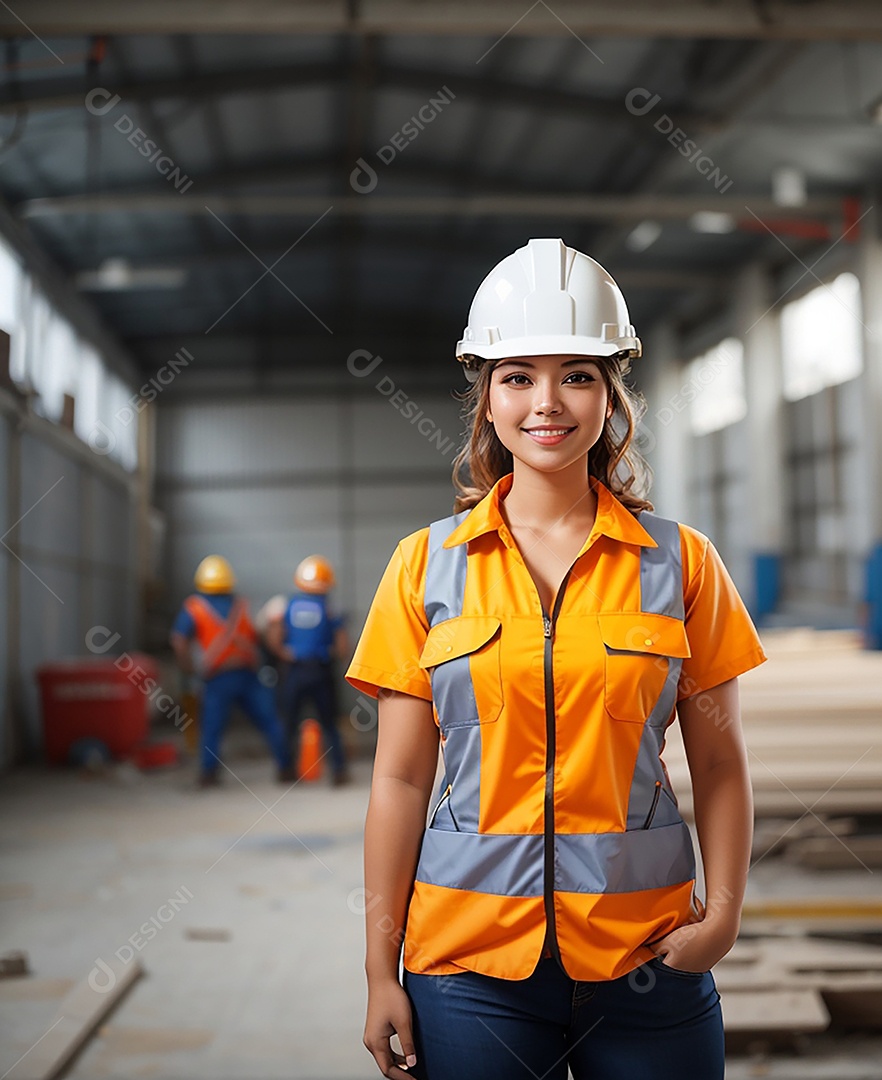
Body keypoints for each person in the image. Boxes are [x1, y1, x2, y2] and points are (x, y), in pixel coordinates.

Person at [346, 238, 768, 1080]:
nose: (548, 402)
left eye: (577, 373)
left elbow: (720, 764)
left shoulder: (680, 563)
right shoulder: (424, 567)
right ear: (488, 399)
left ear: (611, 393)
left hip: (646, 961)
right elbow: (398, 781)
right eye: (518, 377)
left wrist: (720, 919)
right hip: (467, 974)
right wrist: (378, 969)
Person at [170, 555, 292, 788]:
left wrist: (189, 668)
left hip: (218, 678)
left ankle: (209, 774)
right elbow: (258, 635)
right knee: (270, 720)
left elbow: (178, 640)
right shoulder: (241, 605)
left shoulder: (195, 607)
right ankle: (286, 767)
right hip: (247, 674)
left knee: (212, 727)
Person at [266, 555, 351, 786]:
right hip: (321, 671)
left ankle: (285, 770)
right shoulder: (331, 609)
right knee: (330, 723)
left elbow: (274, 637)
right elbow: (342, 645)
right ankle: (339, 771)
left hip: (294, 671)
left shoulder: (285, 605)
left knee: (288, 722)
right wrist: (330, 656)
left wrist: (286, 653)